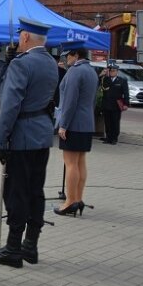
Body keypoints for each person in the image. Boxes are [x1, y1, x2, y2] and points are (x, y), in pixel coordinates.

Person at [0, 17, 58, 269]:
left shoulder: (20, 64)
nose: (17, 41)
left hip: (21, 135)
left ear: (25, 37)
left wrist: (1, 139)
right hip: (42, 133)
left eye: (20, 36)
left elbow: (9, 106)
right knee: (36, 191)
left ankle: (13, 248)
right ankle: (31, 245)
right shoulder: (50, 62)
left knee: (15, 192)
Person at [54, 41, 97, 217]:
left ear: (76, 55)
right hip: (86, 123)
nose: (66, 59)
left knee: (70, 163)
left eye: (68, 56)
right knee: (80, 162)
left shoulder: (75, 72)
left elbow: (70, 101)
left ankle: (70, 201)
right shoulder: (92, 71)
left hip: (73, 123)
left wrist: (63, 124)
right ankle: (78, 198)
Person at [100, 63, 129, 145]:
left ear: (117, 71)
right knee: (107, 122)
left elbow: (126, 93)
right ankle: (108, 137)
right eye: (111, 71)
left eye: (113, 71)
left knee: (115, 122)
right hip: (107, 104)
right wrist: (101, 75)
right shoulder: (105, 79)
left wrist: (126, 104)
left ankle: (114, 138)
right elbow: (98, 83)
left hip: (116, 105)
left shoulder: (121, 81)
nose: (112, 72)